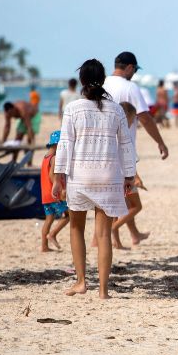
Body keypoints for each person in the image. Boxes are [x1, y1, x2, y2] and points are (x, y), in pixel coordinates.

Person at [53, 59, 136, 299]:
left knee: (76, 228)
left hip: (81, 175)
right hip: (109, 175)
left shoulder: (73, 108)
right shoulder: (116, 109)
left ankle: (81, 282)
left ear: (82, 80)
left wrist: (58, 177)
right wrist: (129, 175)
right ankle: (103, 290)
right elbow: (126, 145)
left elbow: (65, 144)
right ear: (103, 79)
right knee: (103, 234)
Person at [104, 51, 168, 246]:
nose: (134, 74)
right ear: (130, 67)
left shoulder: (101, 84)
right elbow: (145, 118)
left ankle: (133, 234)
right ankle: (107, 235)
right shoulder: (130, 87)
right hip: (123, 152)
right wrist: (160, 142)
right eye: (135, 70)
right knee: (128, 197)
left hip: (103, 151)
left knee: (118, 197)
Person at [111, 102, 149, 249]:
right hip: (125, 177)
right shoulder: (124, 135)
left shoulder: (111, 132)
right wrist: (137, 178)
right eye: (133, 119)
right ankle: (114, 227)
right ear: (126, 116)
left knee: (117, 209)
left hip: (113, 176)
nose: (133, 122)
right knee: (136, 206)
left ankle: (117, 242)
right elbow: (129, 160)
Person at [40, 130, 69, 252]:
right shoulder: (55, 158)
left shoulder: (45, 158)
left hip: (45, 194)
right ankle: (53, 234)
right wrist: (61, 189)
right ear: (58, 144)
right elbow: (52, 175)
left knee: (49, 219)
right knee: (68, 215)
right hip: (54, 193)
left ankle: (44, 246)